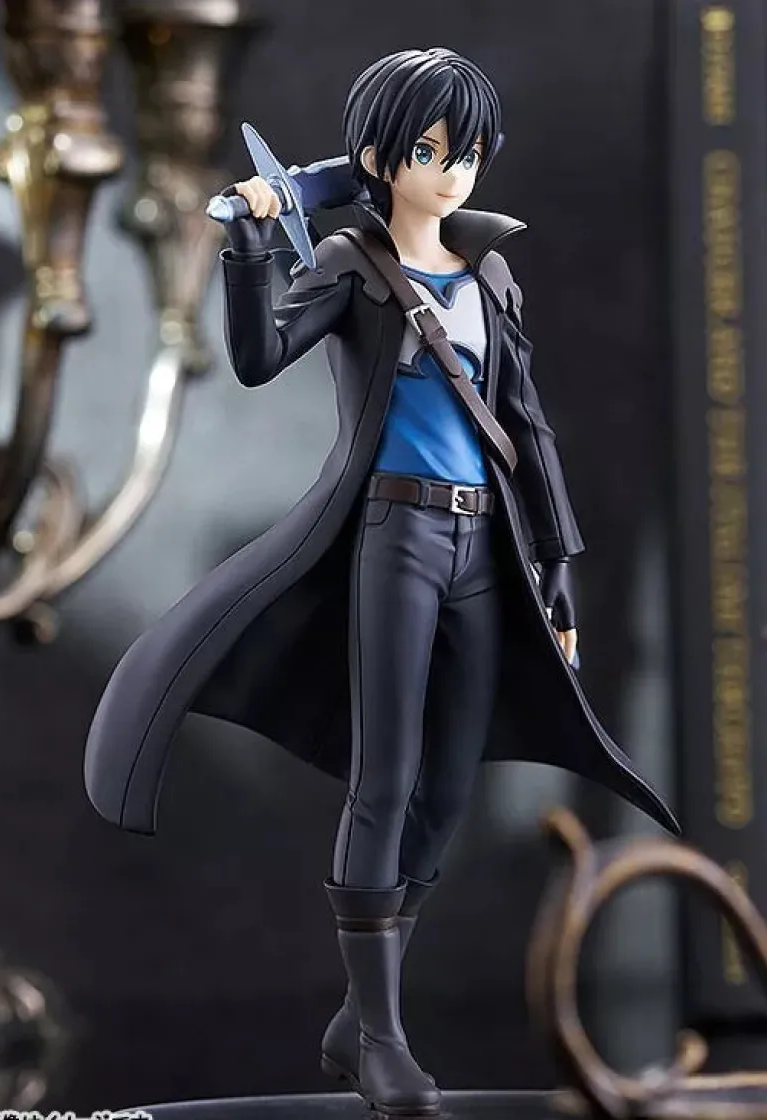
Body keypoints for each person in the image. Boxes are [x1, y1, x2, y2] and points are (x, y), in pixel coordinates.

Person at [84, 47, 677, 1119]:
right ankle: (382, 1038)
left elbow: (527, 428)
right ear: (378, 156)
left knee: (448, 785)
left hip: (487, 548)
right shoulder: (350, 265)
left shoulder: (488, 273)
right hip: (395, 538)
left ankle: (361, 1015)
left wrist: (556, 567)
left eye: (468, 152)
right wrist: (249, 240)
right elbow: (259, 357)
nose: (452, 172)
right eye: (430, 150)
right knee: (387, 775)